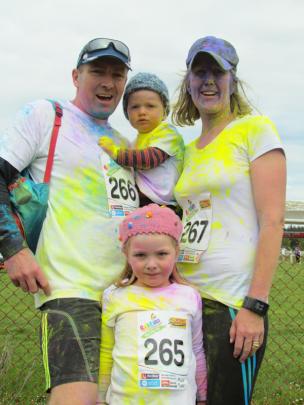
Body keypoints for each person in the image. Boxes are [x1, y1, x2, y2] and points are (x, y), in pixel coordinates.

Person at [0, 37, 135, 405]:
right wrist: (14, 249)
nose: (108, 82)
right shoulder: (46, 115)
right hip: (70, 291)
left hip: (126, 297)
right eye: (98, 71)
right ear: (76, 76)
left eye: (117, 74)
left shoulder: (124, 144)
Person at [172, 36, 286, 405]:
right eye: (199, 71)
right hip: (186, 300)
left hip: (233, 304)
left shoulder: (255, 130)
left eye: (217, 72)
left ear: (233, 80)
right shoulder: (186, 151)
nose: (208, 81)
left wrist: (255, 306)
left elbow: (272, 220)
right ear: (187, 82)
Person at [98, 204, 207, 404]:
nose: (151, 264)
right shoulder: (114, 296)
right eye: (140, 255)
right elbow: (107, 351)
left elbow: (196, 349)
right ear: (127, 255)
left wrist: (202, 396)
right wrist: (100, 397)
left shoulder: (189, 297)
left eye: (161, 254)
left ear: (176, 252)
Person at [98, 72, 184, 208]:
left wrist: (116, 153)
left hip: (164, 206)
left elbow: (150, 159)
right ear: (127, 113)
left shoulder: (168, 133)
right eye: (135, 107)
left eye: (150, 106)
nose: (142, 111)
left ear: (165, 111)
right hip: (141, 204)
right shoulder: (134, 142)